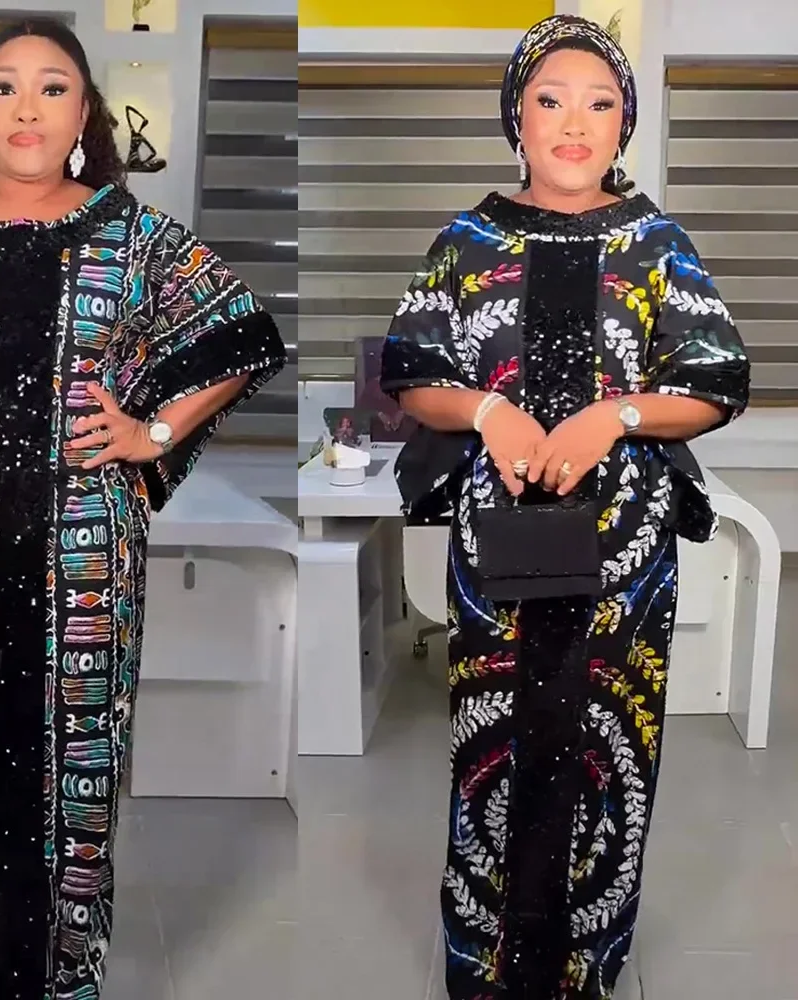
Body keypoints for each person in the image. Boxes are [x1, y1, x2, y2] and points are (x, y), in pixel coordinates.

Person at [0, 17, 285, 1000]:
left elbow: (241, 333)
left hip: (92, 561)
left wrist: (153, 431)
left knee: (82, 774)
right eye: (5, 86)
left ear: (83, 116)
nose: (27, 106)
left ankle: (69, 980)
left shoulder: (131, 232)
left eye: (53, 87)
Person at [379, 15, 749, 1000]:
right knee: (492, 741)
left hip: (624, 551)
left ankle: (587, 962)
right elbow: (412, 370)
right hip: (495, 540)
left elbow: (717, 380)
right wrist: (488, 409)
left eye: (599, 103)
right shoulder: (466, 241)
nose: (574, 123)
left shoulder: (658, 242)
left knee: (607, 742)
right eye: (550, 100)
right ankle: (484, 962)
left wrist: (612, 416)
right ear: (517, 117)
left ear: (624, 122)